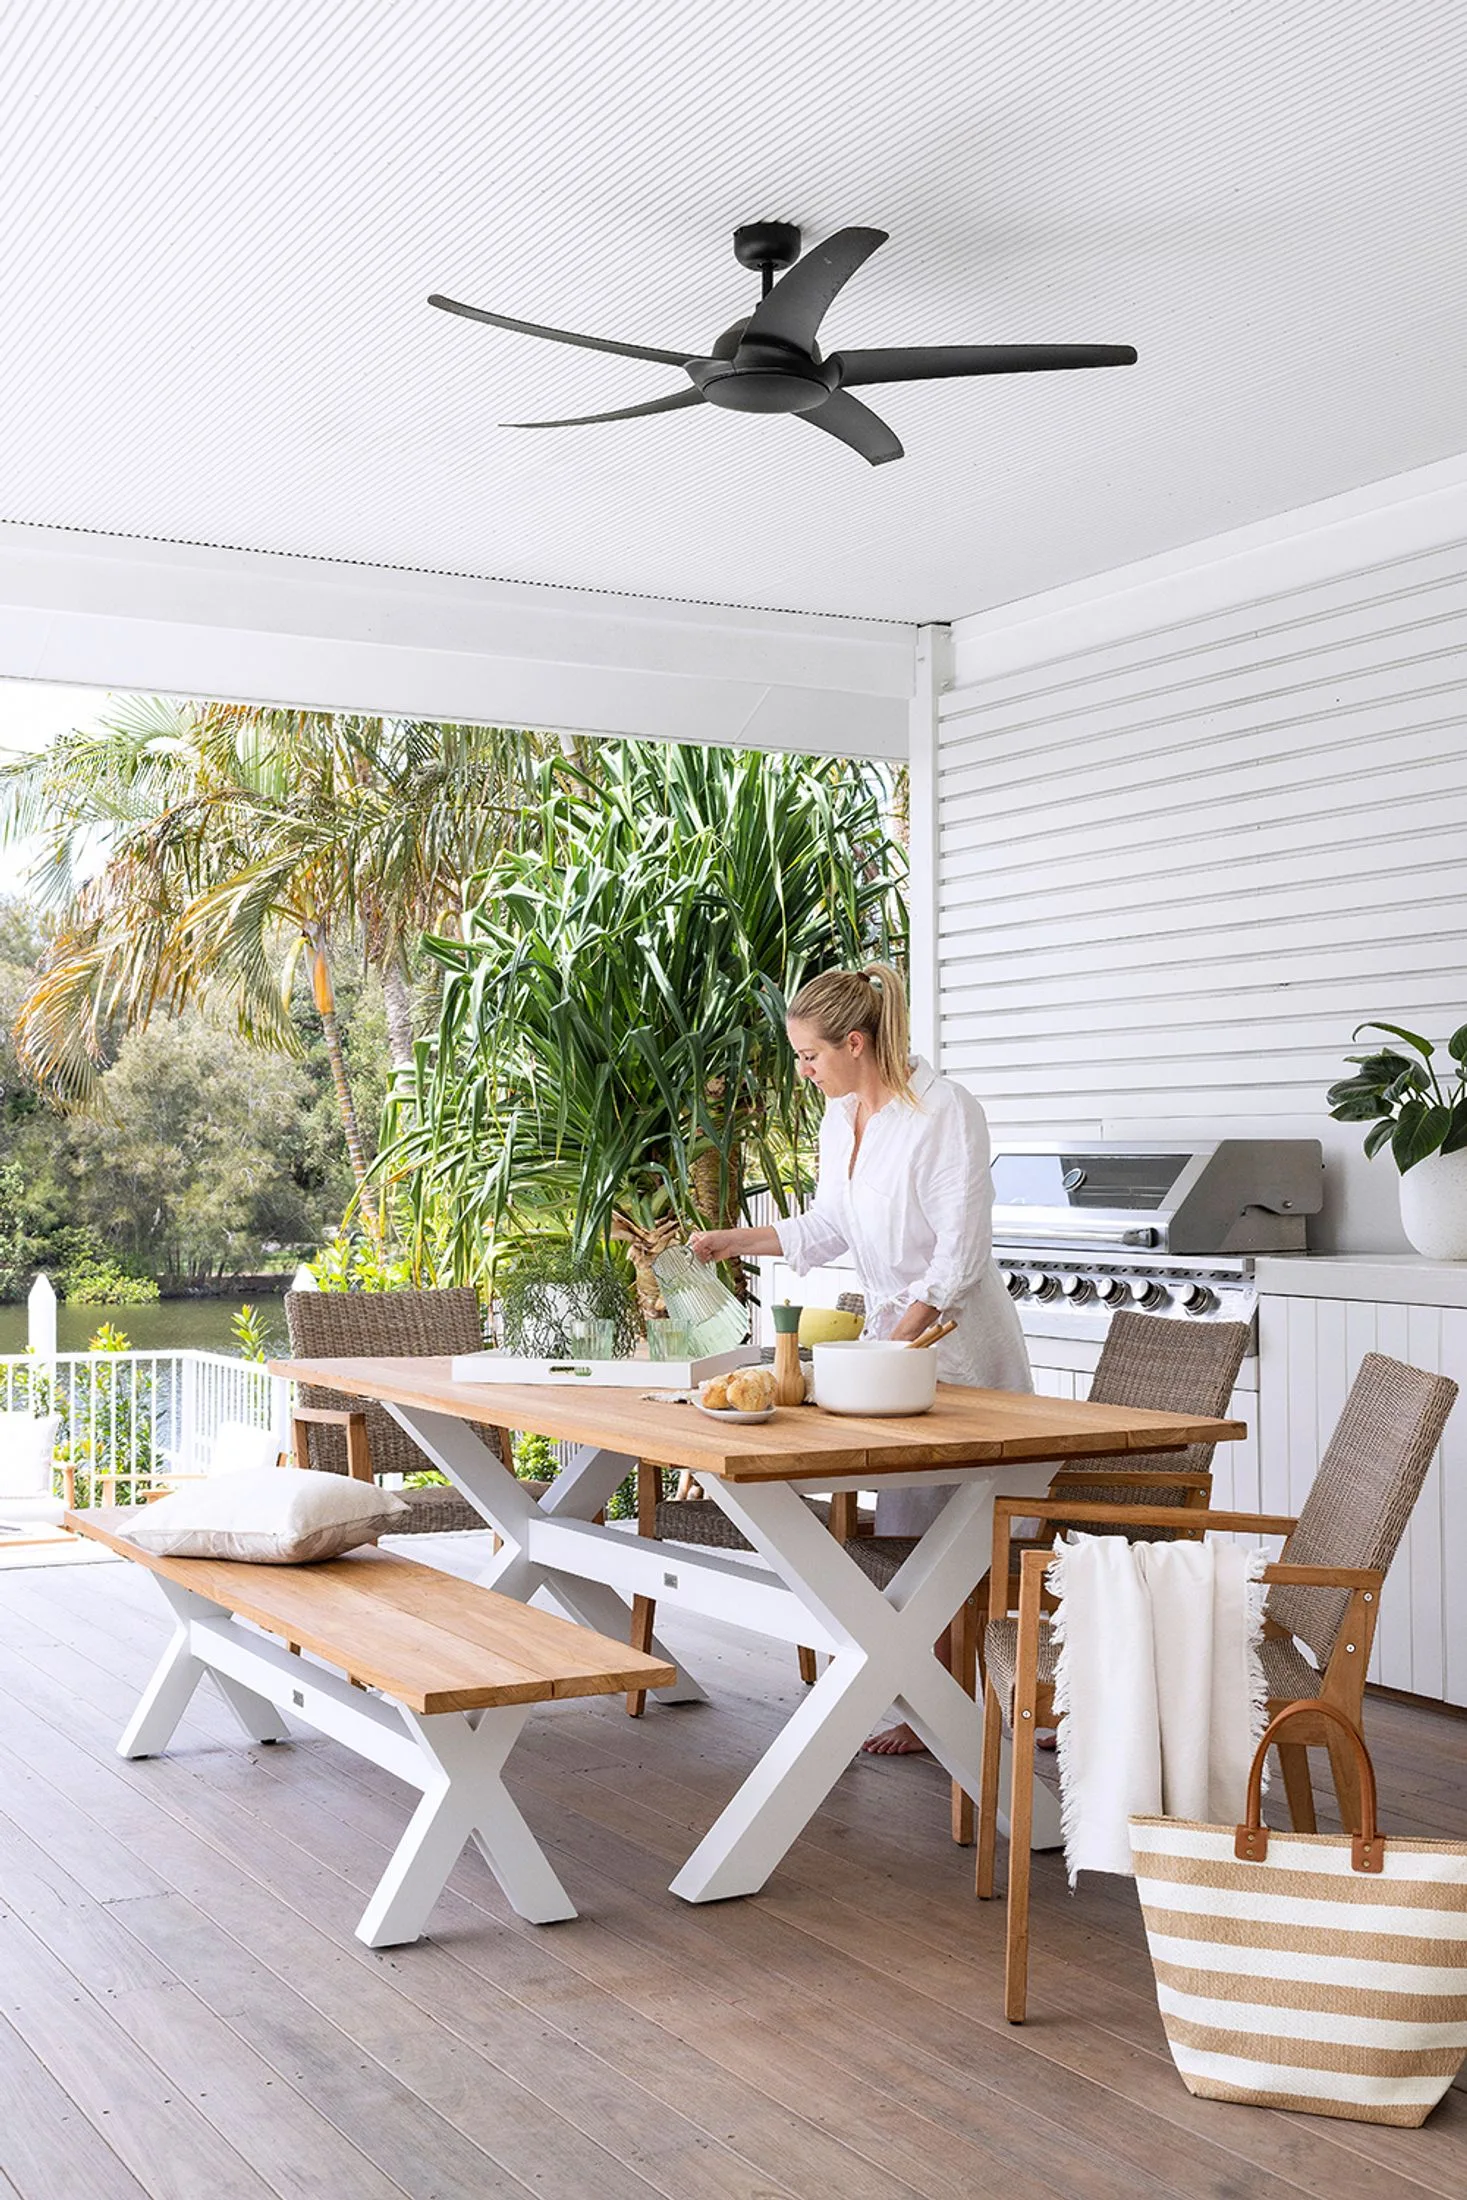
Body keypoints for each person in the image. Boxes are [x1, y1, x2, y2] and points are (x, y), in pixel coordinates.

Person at [690, 961, 1032, 1755]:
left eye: (810, 1056)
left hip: (956, 1346)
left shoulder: (944, 1111)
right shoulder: (841, 1117)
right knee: (915, 1525)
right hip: (888, 1351)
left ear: (854, 1041)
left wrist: (896, 1343)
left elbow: (958, 1258)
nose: (803, 1072)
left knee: (972, 1530)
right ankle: (935, 1701)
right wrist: (733, 1240)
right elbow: (827, 1227)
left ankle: (996, 1706)